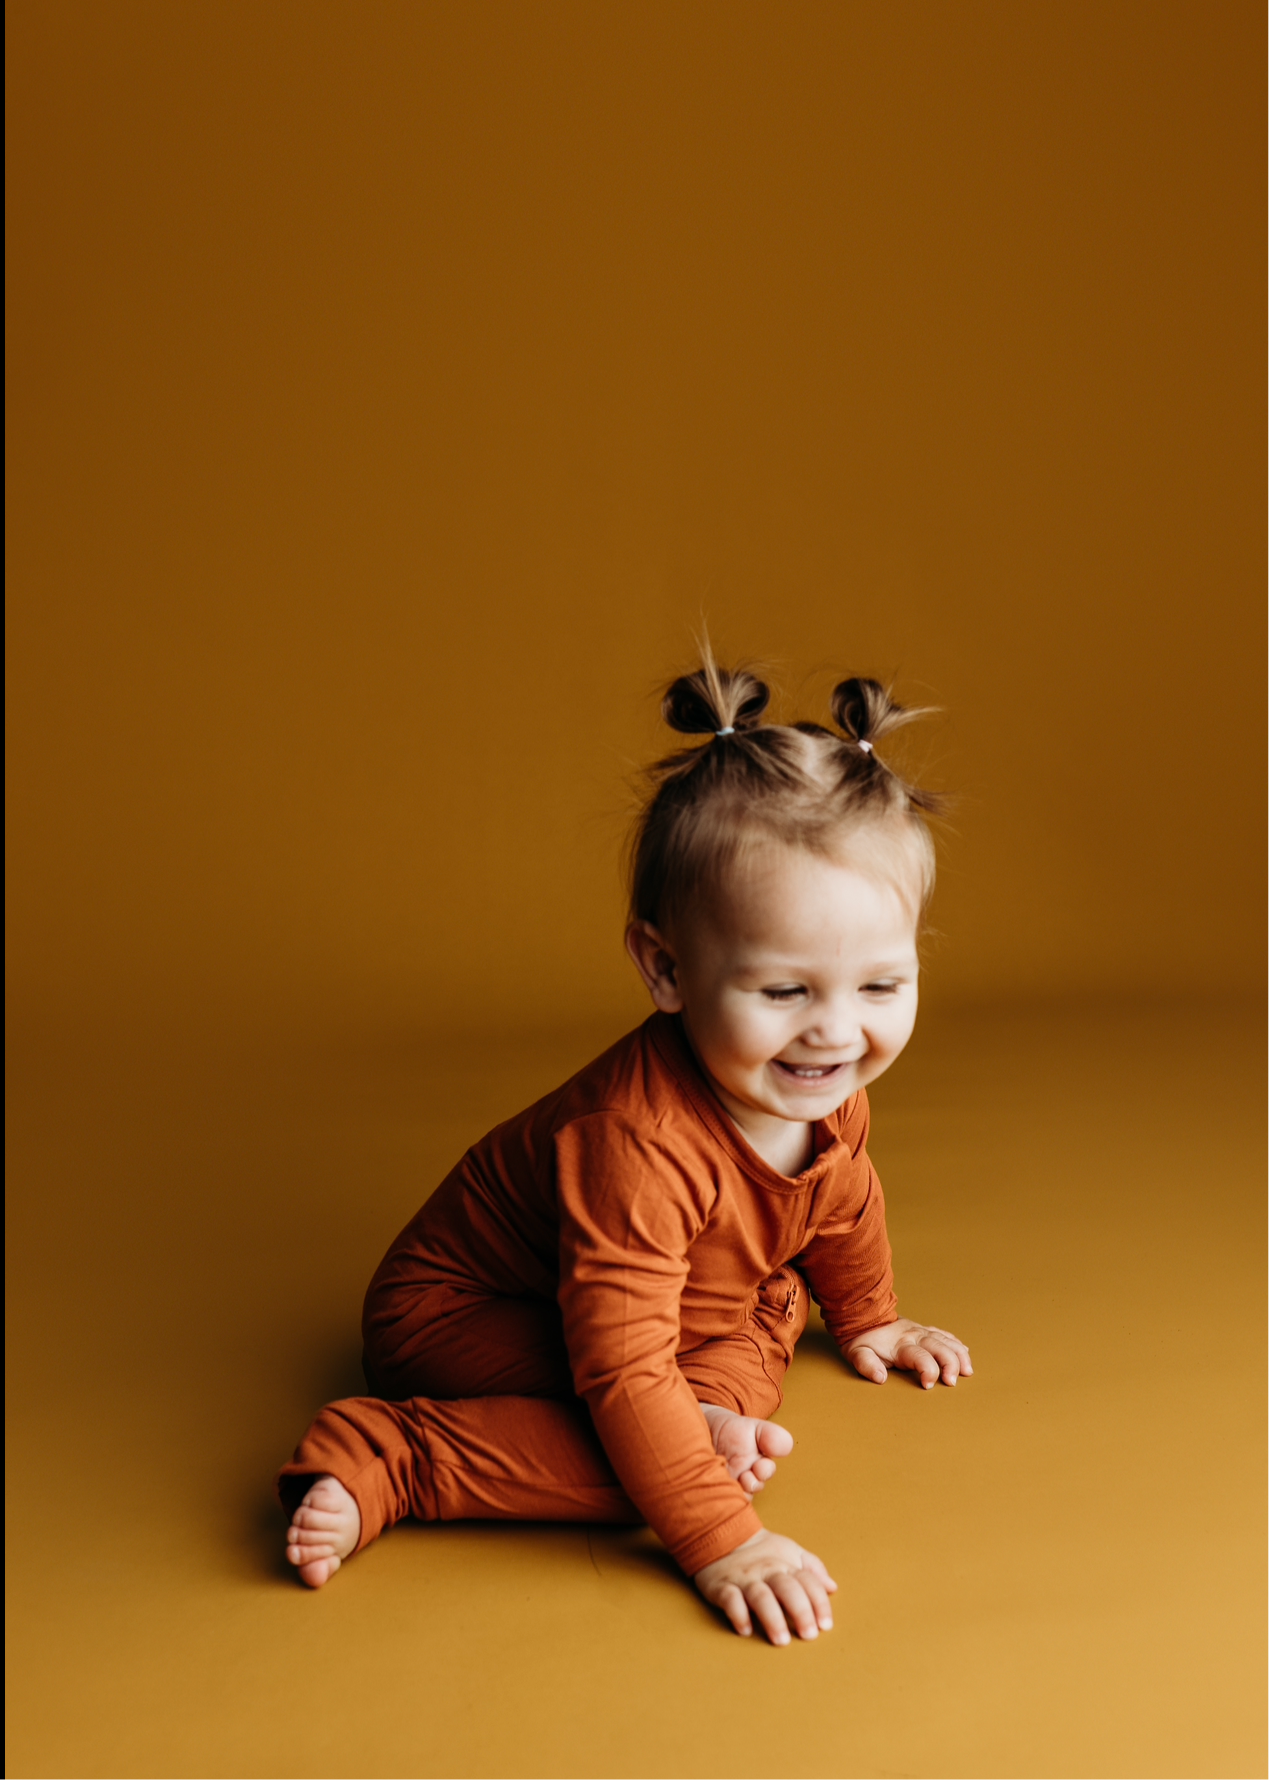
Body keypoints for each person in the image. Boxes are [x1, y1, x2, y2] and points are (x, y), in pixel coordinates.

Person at [277, 657, 972, 1645]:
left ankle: (704, 1425)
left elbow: (843, 1196)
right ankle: (395, 1453)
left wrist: (870, 1318)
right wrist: (721, 1536)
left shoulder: (824, 1084)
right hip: (466, 1313)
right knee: (635, 1460)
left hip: (679, 1307)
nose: (837, 1032)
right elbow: (622, 1367)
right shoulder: (635, 1146)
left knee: (756, 1346)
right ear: (666, 967)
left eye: (880, 985)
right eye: (785, 992)